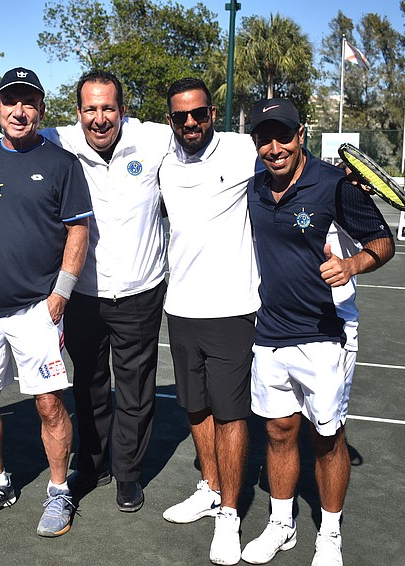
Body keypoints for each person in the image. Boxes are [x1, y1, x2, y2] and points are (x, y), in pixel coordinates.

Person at [240, 98, 394, 566]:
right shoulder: (253, 189)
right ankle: (281, 524)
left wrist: (352, 264)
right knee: (280, 432)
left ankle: (329, 535)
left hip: (326, 334)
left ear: (301, 134)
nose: (274, 147)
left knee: (327, 438)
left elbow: (383, 242)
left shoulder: (333, 184)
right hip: (270, 333)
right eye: (264, 138)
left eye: (282, 135)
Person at [0, 67, 92, 537]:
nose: (19, 111)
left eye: (28, 102)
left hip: (37, 308)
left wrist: (61, 294)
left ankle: (59, 491)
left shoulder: (61, 163)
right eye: (10, 102)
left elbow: (79, 230)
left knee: (50, 405)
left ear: (40, 108)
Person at [42, 70, 171, 512]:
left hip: (140, 291)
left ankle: (128, 475)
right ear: (77, 112)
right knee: (90, 385)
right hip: (84, 293)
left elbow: (217, 146)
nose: (99, 119)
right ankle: (93, 464)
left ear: (123, 109)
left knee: (135, 391)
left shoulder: (156, 139)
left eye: (108, 108)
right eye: (90, 109)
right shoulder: (59, 141)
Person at [157, 78, 260, 566]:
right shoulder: (162, 160)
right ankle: (211, 487)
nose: (191, 123)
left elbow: (294, 167)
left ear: (212, 112)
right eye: (181, 117)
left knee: (231, 413)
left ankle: (231, 514)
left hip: (232, 310)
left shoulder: (243, 150)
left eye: (198, 114)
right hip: (181, 309)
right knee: (195, 406)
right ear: (170, 120)